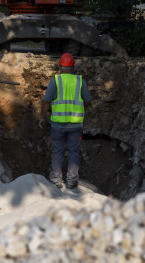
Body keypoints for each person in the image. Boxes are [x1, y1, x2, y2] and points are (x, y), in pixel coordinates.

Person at [39, 52, 91, 190]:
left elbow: (46, 101)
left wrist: (42, 117)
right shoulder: (80, 81)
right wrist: (79, 109)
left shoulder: (55, 81)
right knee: (73, 151)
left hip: (58, 125)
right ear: (73, 67)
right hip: (75, 124)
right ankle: (72, 181)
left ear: (60, 66)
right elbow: (87, 100)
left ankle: (56, 180)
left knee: (57, 151)